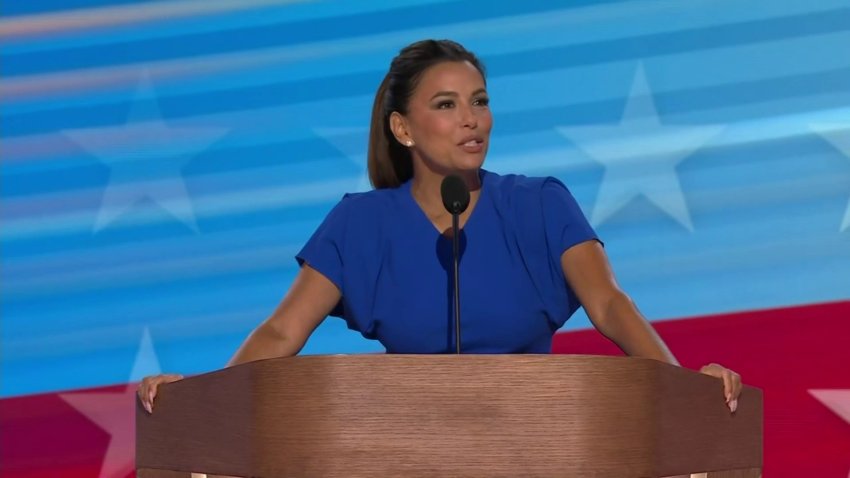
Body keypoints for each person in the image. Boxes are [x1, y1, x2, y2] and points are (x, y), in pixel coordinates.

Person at [139, 39, 741, 414]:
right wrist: (197, 400)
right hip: (403, 446)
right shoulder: (360, 224)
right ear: (403, 129)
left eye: (479, 101)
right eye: (447, 105)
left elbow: (609, 305)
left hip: (539, 442)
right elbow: (279, 335)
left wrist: (686, 391)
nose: (471, 120)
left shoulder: (540, 204)